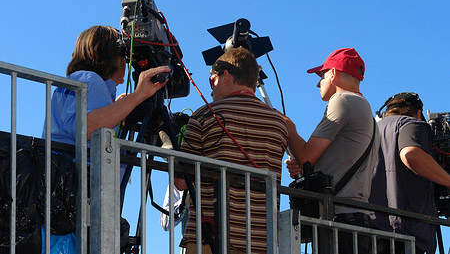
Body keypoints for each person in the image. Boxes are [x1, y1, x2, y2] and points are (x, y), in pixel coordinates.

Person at [44, 25, 170, 254]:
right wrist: (138, 96)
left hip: (69, 199)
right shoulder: (89, 79)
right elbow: (87, 126)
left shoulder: (88, 82)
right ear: (110, 55)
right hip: (74, 198)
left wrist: (119, 107)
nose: (126, 61)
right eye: (123, 53)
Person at [174, 47, 288, 254]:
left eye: (212, 80)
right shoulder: (278, 123)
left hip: (209, 237)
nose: (210, 90)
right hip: (261, 242)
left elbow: (180, 182)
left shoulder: (204, 116)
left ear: (225, 75)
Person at [285, 47, 380, 254]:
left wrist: (286, 126)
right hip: (356, 217)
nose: (318, 83)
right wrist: (305, 169)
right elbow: (331, 164)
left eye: (322, 75)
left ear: (333, 73)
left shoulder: (343, 100)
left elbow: (306, 158)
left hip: (339, 218)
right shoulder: (366, 111)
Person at [370, 92, 450, 254]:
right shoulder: (411, 124)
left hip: (368, 230)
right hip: (404, 231)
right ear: (418, 113)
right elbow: (411, 155)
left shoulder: (369, 131)